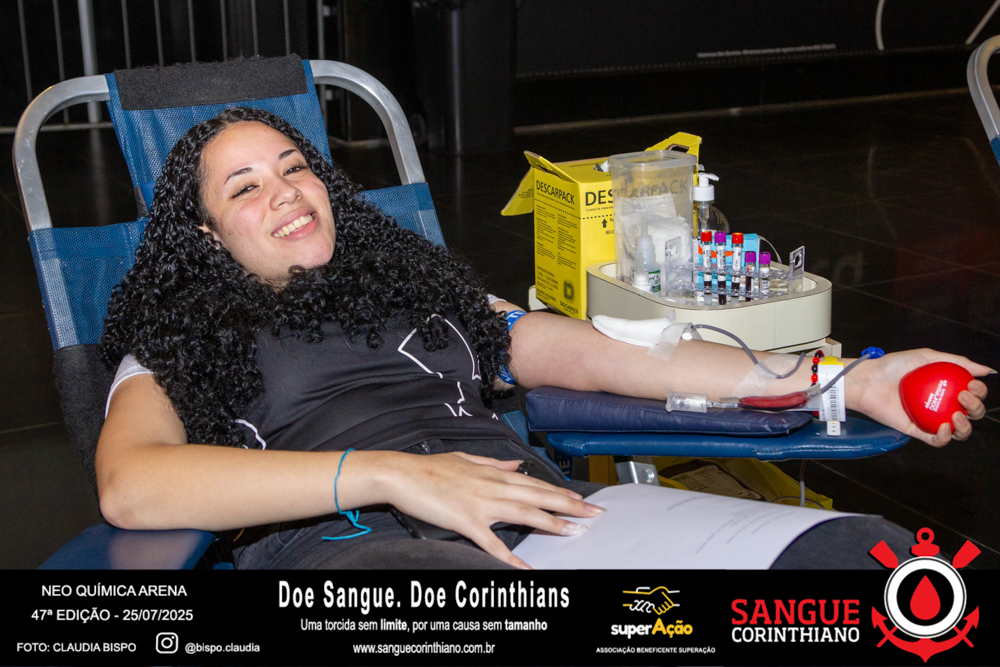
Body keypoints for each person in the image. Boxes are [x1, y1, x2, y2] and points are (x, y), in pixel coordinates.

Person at [96, 107, 989, 570]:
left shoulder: (419, 287)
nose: (286, 191)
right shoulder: (185, 336)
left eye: (294, 167)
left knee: (873, 563)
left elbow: (607, 353)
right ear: (205, 236)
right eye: (245, 187)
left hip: (547, 519)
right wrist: (386, 472)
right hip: (352, 549)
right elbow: (131, 485)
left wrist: (839, 381)